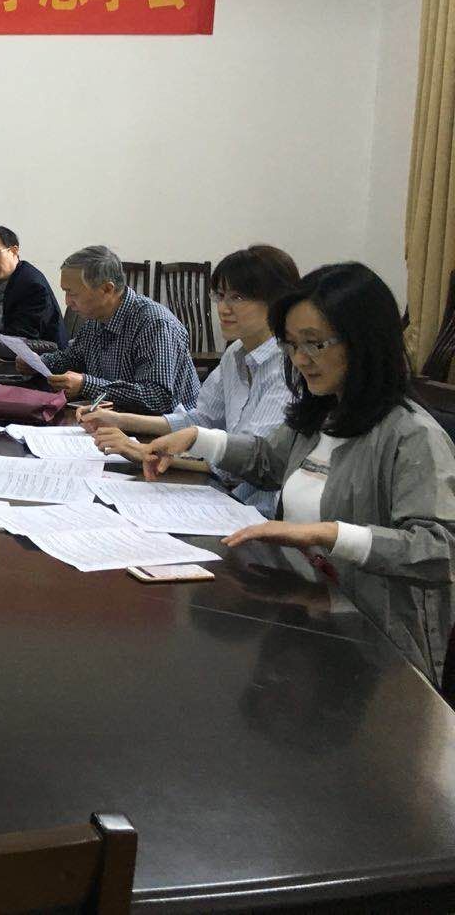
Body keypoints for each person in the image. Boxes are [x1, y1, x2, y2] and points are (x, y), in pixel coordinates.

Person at [143, 262, 455, 686]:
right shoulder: (322, 413)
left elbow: (437, 550)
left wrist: (326, 534)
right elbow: (267, 460)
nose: (301, 359)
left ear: (364, 341)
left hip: (378, 644)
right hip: (309, 611)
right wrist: (198, 438)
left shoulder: (412, 435)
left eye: (315, 343)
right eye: (291, 344)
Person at [79, 244, 299, 514]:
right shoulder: (235, 354)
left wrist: (142, 451)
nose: (224, 308)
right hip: (222, 494)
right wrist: (120, 420)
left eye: (238, 297)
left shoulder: (288, 366)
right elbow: (200, 420)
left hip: (258, 509)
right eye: (220, 296)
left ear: (277, 301)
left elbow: (247, 463)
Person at [34, 245, 199, 412]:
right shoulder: (95, 320)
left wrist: (86, 385)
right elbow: (72, 359)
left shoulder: (154, 323)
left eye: (73, 293)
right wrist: (36, 363)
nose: (67, 302)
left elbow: (156, 397)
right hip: (113, 419)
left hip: (167, 426)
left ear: (107, 289)